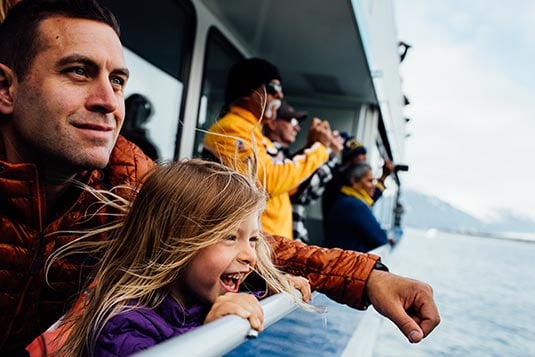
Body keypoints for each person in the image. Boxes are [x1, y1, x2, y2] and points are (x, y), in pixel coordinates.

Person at [0, 1, 438, 353]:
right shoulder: (232, 134)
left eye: (117, 80)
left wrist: (368, 277)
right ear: (6, 89)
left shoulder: (122, 172)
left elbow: (224, 234)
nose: (109, 101)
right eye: (78, 71)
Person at [53, 159, 312, 356]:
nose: (250, 256)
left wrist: (274, 290)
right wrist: (208, 334)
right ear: (173, 243)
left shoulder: (200, 298)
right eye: (230, 237)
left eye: (253, 239)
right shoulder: (122, 327)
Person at [202, 58, 334, 239]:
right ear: (248, 91)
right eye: (273, 88)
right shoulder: (231, 129)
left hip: (272, 244)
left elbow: (288, 185)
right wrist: (319, 149)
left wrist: (310, 147)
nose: (280, 95)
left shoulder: (254, 133)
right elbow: (268, 183)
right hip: (257, 246)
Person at [262, 101, 344, 242]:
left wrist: (314, 147)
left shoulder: (281, 156)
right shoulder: (265, 153)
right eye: (292, 120)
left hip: (284, 240)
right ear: (272, 123)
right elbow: (300, 192)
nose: (297, 128)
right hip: (272, 242)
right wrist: (326, 151)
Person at [322, 135, 394, 218]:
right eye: (361, 154)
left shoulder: (340, 174)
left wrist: (384, 176)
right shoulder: (336, 176)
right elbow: (369, 198)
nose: (365, 158)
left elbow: (369, 196)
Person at [324, 162, 390, 252]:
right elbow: (380, 239)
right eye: (369, 181)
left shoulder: (343, 199)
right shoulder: (355, 205)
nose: (374, 185)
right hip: (348, 263)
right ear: (354, 181)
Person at [120, 93, 159, 161]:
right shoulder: (112, 137)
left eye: (136, 113)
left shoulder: (148, 149)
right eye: (130, 110)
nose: (131, 117)